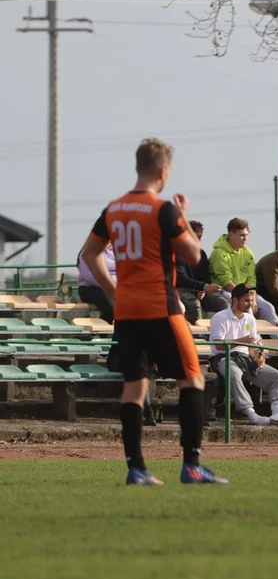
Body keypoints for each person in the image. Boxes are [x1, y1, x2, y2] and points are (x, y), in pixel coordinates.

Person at [80, 137, 225, 485]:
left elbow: (90, 253)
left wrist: (115, 290)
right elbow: (193, 257)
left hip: (127, 310)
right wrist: (186, 219)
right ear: (163, 171)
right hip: (161, 305)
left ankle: (137, 468)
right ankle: (191, 465)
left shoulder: (113, 209)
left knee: (134, 387)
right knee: (192, 379)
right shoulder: (163, 209)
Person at [209, 284, 278, 428]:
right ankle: (251, 413)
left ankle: (277, 413)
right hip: (224, 357)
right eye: (247, 300)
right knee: (233, 373)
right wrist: (241, 341)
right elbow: (218, 345)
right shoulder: (220, 317)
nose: (251, 304)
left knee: (277, 376)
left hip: (245, 358)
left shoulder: (249, 319)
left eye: (252, 300)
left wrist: (257, 354)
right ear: (235, 300)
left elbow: (252, 346)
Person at [208, 218, 278, 324]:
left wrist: (252, 295)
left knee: (268, 308)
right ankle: (252, 339)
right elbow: (225, 281)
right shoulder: (218, 253)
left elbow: (251, 277)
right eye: (242, 235)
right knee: (246, 308)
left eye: (246, 235)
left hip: (245, 292)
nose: (245, 238)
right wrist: (246, 297)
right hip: (223, 291)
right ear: (231, 234)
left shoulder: (247, 252)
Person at [175, 220, 227, 323]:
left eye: (198, 238)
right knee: (194, 305)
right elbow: (181, 279)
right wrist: (203, 286)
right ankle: (196, 336)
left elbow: (205, 276)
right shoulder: (176, 253)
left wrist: (202, 290)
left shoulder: (201, 254)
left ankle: (222, 334)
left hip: (199, 289)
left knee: (224, 304)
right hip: (181, 290)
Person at [77, 241, 116, 323]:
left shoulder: (117, 252)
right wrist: (110, 285)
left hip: (115, 288)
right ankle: (100, 332)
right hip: (91, 288)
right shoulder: (88, 252)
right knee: (113, 307)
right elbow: (89, 276)